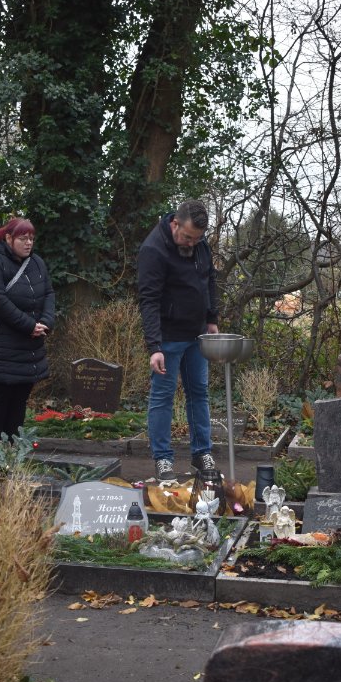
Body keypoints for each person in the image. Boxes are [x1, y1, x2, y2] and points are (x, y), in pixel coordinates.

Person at [137, 199, 219, 483]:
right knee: (163, 396)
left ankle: (202, 453)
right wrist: (154, 347)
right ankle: (162, 458)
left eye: (197, 238)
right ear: (174, 224)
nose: (192, 243)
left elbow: (209, 280)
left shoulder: (200, 244)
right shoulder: (153, 250)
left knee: (199, 393)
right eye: (187, 237)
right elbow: (149, 300)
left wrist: (211, 318)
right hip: (168, 337)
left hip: (197, 333)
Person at [0, 217, 54, 441]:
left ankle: (13, 452)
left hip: (28, 348)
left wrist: (46, 321)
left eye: (31, 238)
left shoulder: (36, 262)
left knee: (19, 403)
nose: (28, 243)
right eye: (23, 238)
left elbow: (48, 292)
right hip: (0, 348)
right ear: (8, 239)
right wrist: (28, 325)